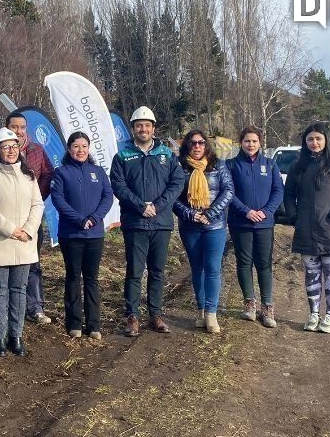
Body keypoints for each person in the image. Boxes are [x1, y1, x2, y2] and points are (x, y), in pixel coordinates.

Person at [109, 106, 185, 337]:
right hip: (135, 222)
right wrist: (140, 206)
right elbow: (118, 186)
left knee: (158, 271)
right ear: (133, 129)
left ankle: (155, 314)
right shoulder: (122, 156)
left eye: (147, 125)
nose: (143, 129)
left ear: (154, 128)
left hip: (161, 222)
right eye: (139, 125)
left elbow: (177, 183)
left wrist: (158, 206)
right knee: (134, 271)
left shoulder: (167, 155)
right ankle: (132, 316)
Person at [0, 111, 55, 325]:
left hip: (28, 223)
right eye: (15, 127)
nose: (19, 131)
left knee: (31, 269)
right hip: (1, 228)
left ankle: (34, 307)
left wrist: (34, 198)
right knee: (0, 283)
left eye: (23, 128)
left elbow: (48, 175)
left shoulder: (36, 151)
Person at [283, 122, 330, 334]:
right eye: (310, 139)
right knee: (311, 274)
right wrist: (294, 216)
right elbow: (289, 196)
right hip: (306, 230)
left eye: (318, 139)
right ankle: (314, 313)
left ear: (326, 140)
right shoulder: (298, 166)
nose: (314, 143)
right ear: (305, 142)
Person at [0, 127, 45, 356]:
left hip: (25, 241)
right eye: (5, 147)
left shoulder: (29, 176)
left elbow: (38, 204)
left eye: (14, 146)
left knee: (19, 289)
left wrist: (27, 230)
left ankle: (16, 335)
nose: (11, 150)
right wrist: (11, 230)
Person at [50, 131, 114, 340]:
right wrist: (79, 220)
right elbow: (58, 200)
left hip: (95, 234)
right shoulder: (61, 173)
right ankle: (74, 322)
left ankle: (94, 324)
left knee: (92, 279)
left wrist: (94, 218)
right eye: (76, 146)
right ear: (69, 149)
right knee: (72, 277)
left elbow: (107, 196)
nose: (81, 150)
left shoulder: (98, 171)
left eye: (84, 146)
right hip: (72, 234)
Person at [173, 130, 234, 334]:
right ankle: (200, 311)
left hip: (214, 226)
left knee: (213, 269)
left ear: (206, 145)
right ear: (187, 147)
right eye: (193, 143)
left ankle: (211, 313)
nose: (197, 146)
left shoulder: (219, 166)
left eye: (200, 142)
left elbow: (228, 191)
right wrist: (191, 214)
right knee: (196, 268)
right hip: (189, 226)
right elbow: (173, 197)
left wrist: (210, 213)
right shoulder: (180, 167)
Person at [226, 126, 284, 328]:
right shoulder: (231, 165)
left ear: (260, 143)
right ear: (240, 143)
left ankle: (267, 307)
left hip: (264, 223)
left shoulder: (269, 164)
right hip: (240, 222)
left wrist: (266, 212)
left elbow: (278, 191)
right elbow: (228, 193)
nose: (250, 144)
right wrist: (246, 211)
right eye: (247, 141)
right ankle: (250, 304)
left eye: (254, 141)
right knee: (244, 263)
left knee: (264, 264)